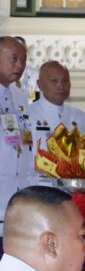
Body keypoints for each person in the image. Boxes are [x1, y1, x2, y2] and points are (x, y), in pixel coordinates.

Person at [22, 61, 85, 187]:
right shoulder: (27, 115)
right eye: (54, 81)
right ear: (40, 84)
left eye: (65, 80)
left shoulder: (82, 116)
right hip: (40, 187)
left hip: (75, 188)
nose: (61, 86)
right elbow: (23, 156)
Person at [0, 37, 30, 218]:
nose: (20, 65)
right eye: (14, 59)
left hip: (19, 195)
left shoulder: (19, 96)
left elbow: (25, 141)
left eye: (24, 60)